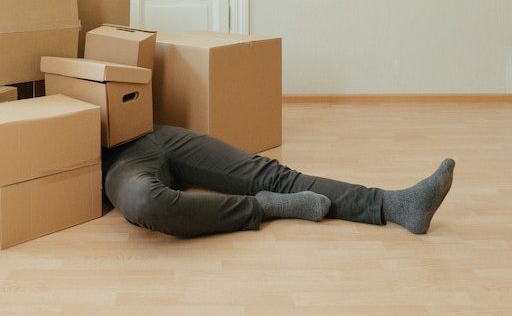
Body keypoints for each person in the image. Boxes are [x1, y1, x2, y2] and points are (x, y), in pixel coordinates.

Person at [103, 125, 454, 237]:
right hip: (113, 160)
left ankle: (395, 204)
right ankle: (265, 206)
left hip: (149, 129)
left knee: (272, 174)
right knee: (147, 201)